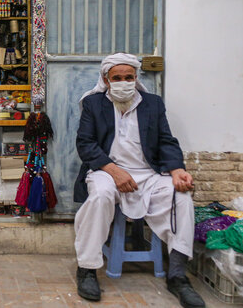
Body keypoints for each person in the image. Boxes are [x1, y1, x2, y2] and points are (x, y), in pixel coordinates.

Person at [73, 53, 205, 308]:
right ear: (106, 80)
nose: (124, 82)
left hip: (148, 173)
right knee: (100, 196)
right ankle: (87, 269)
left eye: (129, 77)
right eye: (117, 78)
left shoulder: (152, 104)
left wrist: (177, 169)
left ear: (136, 78)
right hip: (106, 171)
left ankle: (177, 276)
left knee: (181, 197)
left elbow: (166, 140)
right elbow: (86, 144)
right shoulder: (93, 104)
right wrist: (114, 171)